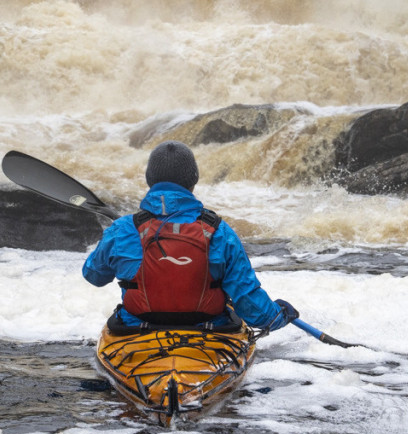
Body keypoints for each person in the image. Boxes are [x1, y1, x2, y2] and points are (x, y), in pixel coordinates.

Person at [82, 140, 299, 333]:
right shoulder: (220, 232)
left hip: (136, 328)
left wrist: (114, 240)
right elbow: (252, 307)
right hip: (210, 330)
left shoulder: (121, 229)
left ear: (149, 180)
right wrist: (278, 315)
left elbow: (93, 276)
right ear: (193, 180)